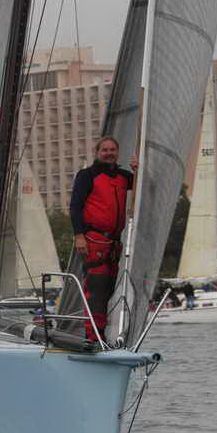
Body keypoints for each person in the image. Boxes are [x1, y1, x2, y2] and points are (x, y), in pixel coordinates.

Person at [70, 136, 138, 339]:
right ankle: (93, 337)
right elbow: (75, 206)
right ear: (97, 152)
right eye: (105, 150)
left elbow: (144, 185)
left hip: (114, 244)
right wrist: (79, 236)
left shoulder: (124, 177)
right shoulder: (87, 175)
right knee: (97, 288)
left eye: (112, 150)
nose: (109, 153)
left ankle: (101, 335)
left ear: (118, 152)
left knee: (108, 290)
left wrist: (138, 170)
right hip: (94, 240)